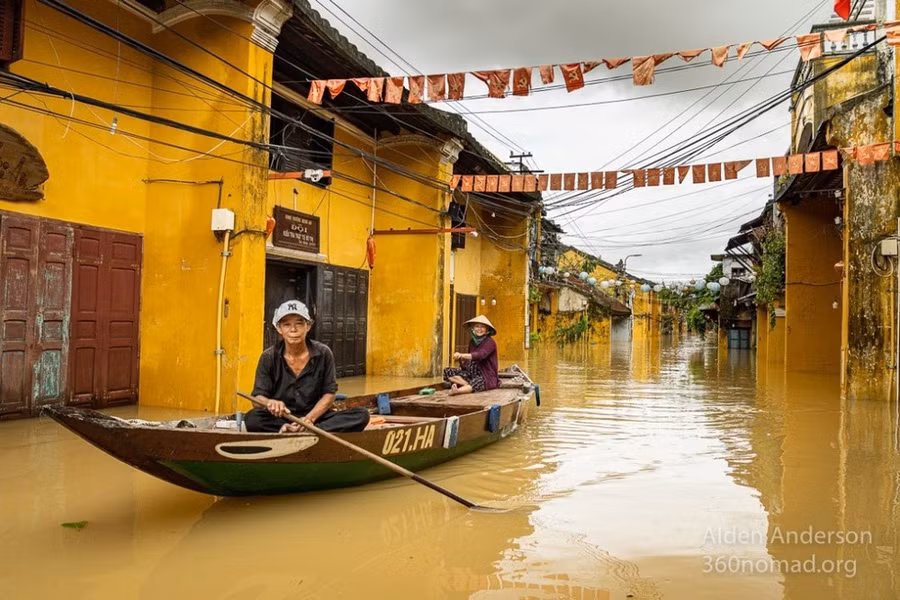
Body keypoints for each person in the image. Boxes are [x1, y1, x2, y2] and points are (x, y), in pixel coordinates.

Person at [245, 300, 370, 433]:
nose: (293, 330)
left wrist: (309, 419)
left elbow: (329, 394)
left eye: (299, 323)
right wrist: (270, 403)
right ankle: (288, 428)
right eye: (286, 324)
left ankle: (310, 430)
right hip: (281, 418)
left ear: (308, 326)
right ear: (279, 329)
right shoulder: (268, 357)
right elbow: (257, 400)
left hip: (315, 417)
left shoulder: (323, 353)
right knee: (252, 418)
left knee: (361, 415)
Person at [443, 315, 499, 396]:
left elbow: (480, 355)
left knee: (478, 382)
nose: (479, 329)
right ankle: (466, 385)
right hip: (471, 373)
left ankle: (457, 391)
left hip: (485, 376)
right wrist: (461, 362)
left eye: (482, 327)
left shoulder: (490, 342)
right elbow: (468, 361)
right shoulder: (472, 342)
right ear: (473, 328)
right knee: (447, 371)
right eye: (477, 326)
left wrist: (461, 355)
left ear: (487, 330)